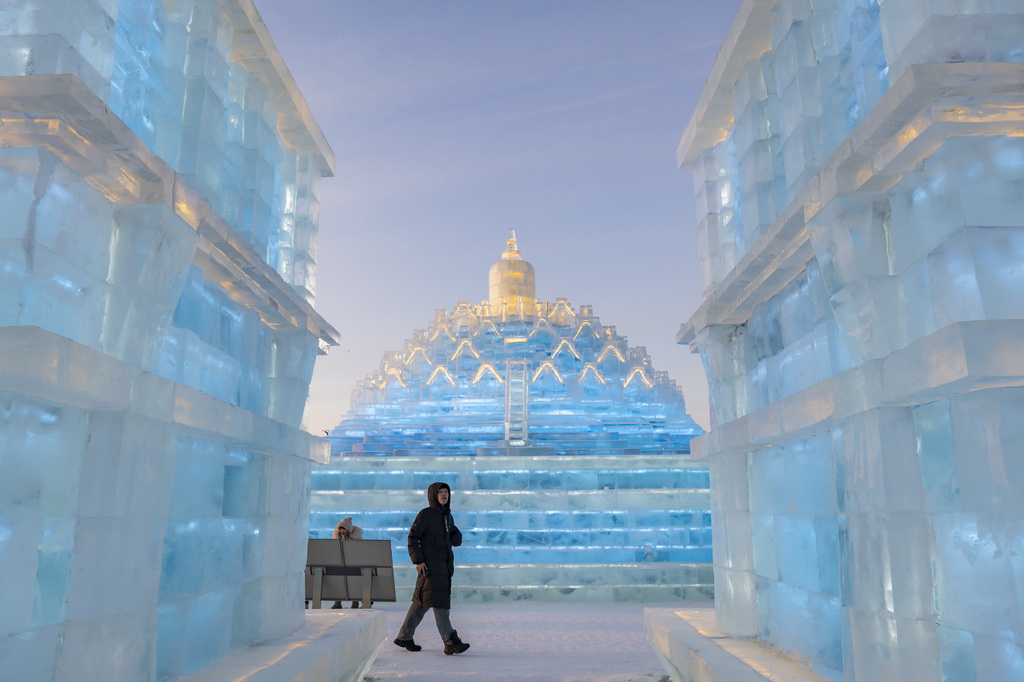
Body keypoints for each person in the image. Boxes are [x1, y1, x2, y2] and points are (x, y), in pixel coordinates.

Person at [393, 481, 470, 655]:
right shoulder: (426, 514)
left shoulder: (447, 517)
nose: (444, 495)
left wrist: (455, 533)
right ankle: (450, 641)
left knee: (422, 601)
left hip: (443, 565)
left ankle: (405, 636)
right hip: (430, 566)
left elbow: (455, 540)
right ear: (433, 495)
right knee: (439, 602)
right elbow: (413, 537)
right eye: (440, 492)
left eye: (446, 492)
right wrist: (418, 561)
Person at [330, 516, 363, 609]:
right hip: (341, 562)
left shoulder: (357, 537)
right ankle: (338, 602)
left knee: (354, 582)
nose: (342, 531)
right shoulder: (338, 537)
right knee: (340, 582)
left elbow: (360, 549)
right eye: (341, 529)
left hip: (354, 562)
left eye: (344, 529)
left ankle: (355, 602)